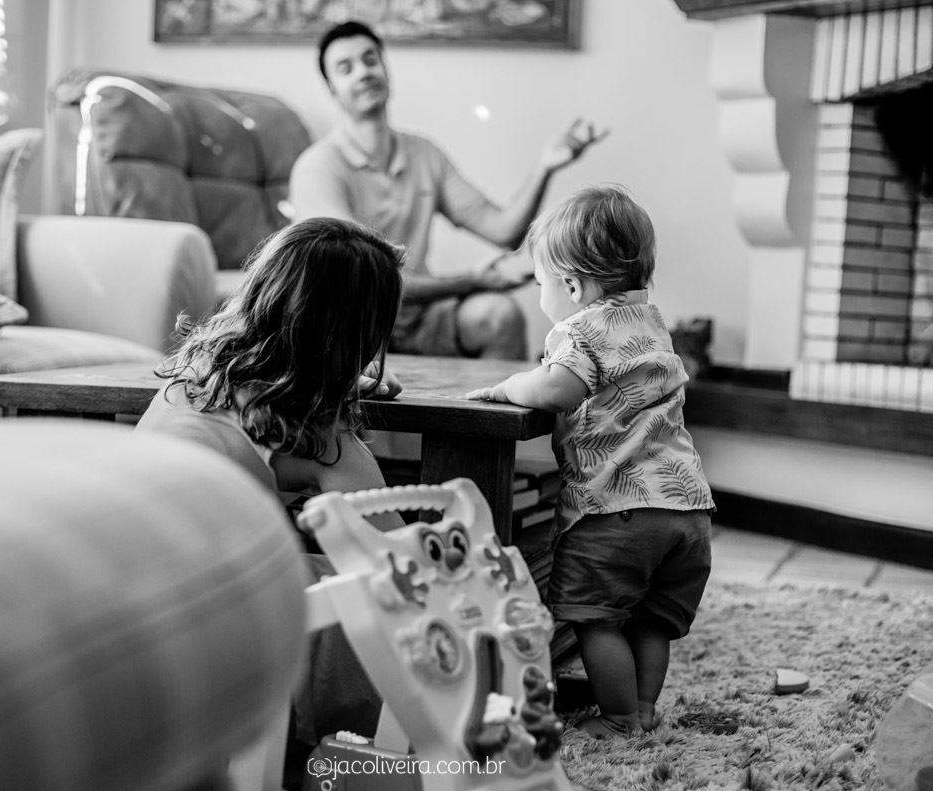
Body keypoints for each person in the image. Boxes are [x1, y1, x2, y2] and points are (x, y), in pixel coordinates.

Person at [136, 216, 405, 752]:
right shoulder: (314, 434)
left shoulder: (197, 372)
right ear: (357, 333)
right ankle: (341, 733)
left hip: (137, 588)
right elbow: (399, 558)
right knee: (377, 596)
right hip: (213, 612)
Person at [466, 185, 714, 738]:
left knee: (593, 618)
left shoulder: (579, 329)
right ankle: (643, 708)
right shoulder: (650, 320)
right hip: (687, 510)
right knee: (652, 620)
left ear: (572, 286)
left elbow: (556, 390)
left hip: (616, 511)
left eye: (539, 284)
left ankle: (619, 717)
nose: (540, 295)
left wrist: (510, 386)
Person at [290, 19, 606, 360]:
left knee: (501, 316)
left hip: (419, 316)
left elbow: (504, 232)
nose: (363, 73)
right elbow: (360, 283)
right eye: (345, 68)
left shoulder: (424, 153)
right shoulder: (317, 168)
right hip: (352, 325)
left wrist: (544, 166)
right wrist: (471, 279)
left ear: (386, 69)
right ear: (332, 89)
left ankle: (493, 414)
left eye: (370, 59)